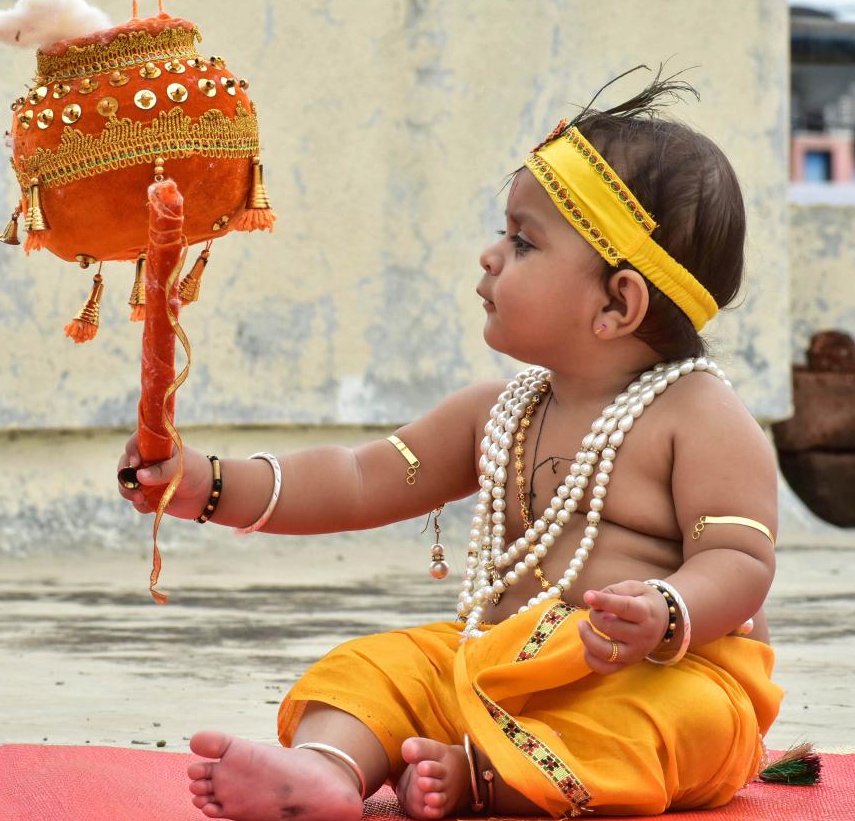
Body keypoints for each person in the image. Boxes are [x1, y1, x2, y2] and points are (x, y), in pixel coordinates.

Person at [117, 71, 782, 820]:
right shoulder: (496, 412)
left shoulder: (700, 416)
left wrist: (668, 607)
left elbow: (741, 560)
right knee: (378, 665)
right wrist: (203, 482)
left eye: (523, 241)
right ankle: (324, 769)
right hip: (497, 662)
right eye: (505, 232)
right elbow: (360, 478)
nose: (490, 256)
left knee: (675, 724)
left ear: (617, 302)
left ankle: (479, 779)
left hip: (660, 674)